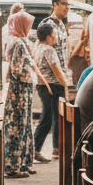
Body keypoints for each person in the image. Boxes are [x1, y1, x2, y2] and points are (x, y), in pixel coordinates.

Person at [4, 10, 43, 178]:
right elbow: (15, 70)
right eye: (28, 25)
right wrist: (29, 71)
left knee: (24, 126)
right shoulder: (18, 43)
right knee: (18, 126)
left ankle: (23, 164)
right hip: (19, 91)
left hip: (21, 90)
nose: (30, 28)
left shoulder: (16, 40)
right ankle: (14, 167)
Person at [36, 0, 73, 156]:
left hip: (60, 76)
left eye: (68, 4)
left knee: (58, 115)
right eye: (64, 3)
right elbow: (46, 52)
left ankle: (57, 148)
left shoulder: (62, 25)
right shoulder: (48, 24)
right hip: (52, 79)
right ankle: (46, 148)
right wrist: (61, 79)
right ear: (55, 4)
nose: (67, 7)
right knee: (51, 116)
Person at [32, 22, 68, 162]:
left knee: (50, 117)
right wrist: (65, 84)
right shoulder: (49, 49)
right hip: (52, 86)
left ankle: (48, 149)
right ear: (47, 37)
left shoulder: (38, 47)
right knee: (49, 118)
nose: (55, 38)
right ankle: (35, 149)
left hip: (42, 85)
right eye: (53, 36)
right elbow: (56, 69)